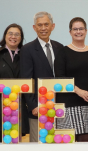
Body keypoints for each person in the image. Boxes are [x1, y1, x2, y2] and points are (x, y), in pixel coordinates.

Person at [54, 17, 88, 142]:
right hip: (69, 103)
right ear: (70, 32)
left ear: (86, 31)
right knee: (68, 143)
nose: (78, 32)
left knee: (84, 143)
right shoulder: (62, 52)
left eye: (81, 29)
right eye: (75, 29)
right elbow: (60, 77)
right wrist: (79, 91)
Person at [20, 12, 64, 142]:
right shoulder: (27, 49)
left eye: (46, 24)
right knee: (38, 146)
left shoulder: (59, 47)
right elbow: (26, 80)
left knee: (58, 145)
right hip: (38, 108)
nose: (43, 28)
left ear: (52, 26)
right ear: (34, 28)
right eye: (39, 25)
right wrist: (33, 105)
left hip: (58, 106)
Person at [0, 23, 26, 142]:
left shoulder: (25, 55)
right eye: (10, 33)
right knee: (2, 143)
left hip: (19, 104)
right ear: (5, 36)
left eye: (17, 34)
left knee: (17, 142)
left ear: (21, 38)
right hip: (1, 105)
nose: (13, 37)